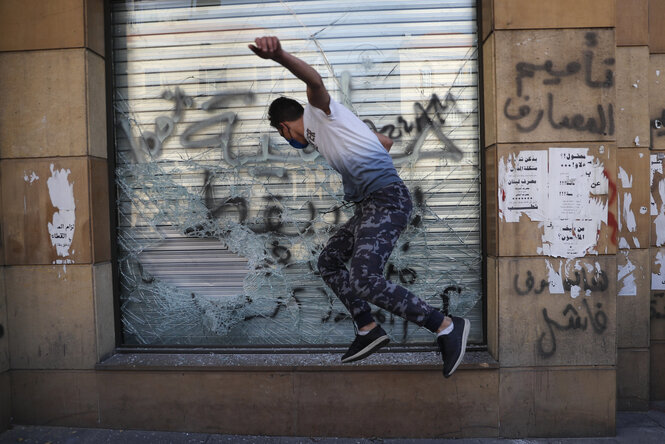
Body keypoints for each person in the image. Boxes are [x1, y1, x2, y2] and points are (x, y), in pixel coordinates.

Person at [249, 36, 470, 377]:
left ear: (283, 128)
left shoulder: (317, 114)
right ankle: (368, 328)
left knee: (365, 280)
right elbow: (386, 141)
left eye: (283, 137)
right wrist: (367, 139)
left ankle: (444, 325)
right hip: (369, 205)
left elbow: (315, 82)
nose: (288, 141)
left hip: (387, 200)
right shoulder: (328, 129)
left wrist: (278, 55)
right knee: (330, 261)